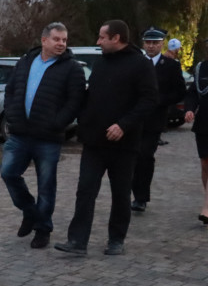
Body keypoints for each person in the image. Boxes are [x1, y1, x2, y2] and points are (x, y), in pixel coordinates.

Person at [55, 20, 157, 256]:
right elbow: (92, 96)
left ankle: (116, 239)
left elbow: (149, 100)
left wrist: (124, 125)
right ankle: (77, 241)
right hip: (94, 141)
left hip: (125, 144)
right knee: (85, 190)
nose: (98, 41)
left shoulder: (140, 65)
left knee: (120, 193)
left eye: (102, 37)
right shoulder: (101, 63)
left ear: (117, 38)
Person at [0, 22, 86, 249]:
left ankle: (43, 228)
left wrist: (57, 123)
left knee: (46, 185)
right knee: (8, 173)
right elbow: (11, 90)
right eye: (57, 39)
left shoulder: (72, 68)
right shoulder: (26, 61)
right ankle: (30, 211)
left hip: (48, 138)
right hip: (20, 134)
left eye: (64, 40)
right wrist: (11, 114)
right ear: (44, 40)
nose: (61, 44)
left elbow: (75, 102)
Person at [131, 27, 186, 212]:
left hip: (154, 120)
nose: (151, 46)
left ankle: (141, 197)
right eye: (148, 42)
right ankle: (130, 192)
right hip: (133, 119)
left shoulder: (170, 65)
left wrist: (160, 101)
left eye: (155, 43)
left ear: (162, 44)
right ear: (143, 43)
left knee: (145, 156)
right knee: (131, 157)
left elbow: (179, 92)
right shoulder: (136, 62)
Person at [185, 56, 208, 222]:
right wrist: (190, 109)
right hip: (204, 123)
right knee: (205, 164)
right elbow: (193, 92)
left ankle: (207, 206)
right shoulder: (202, 68)